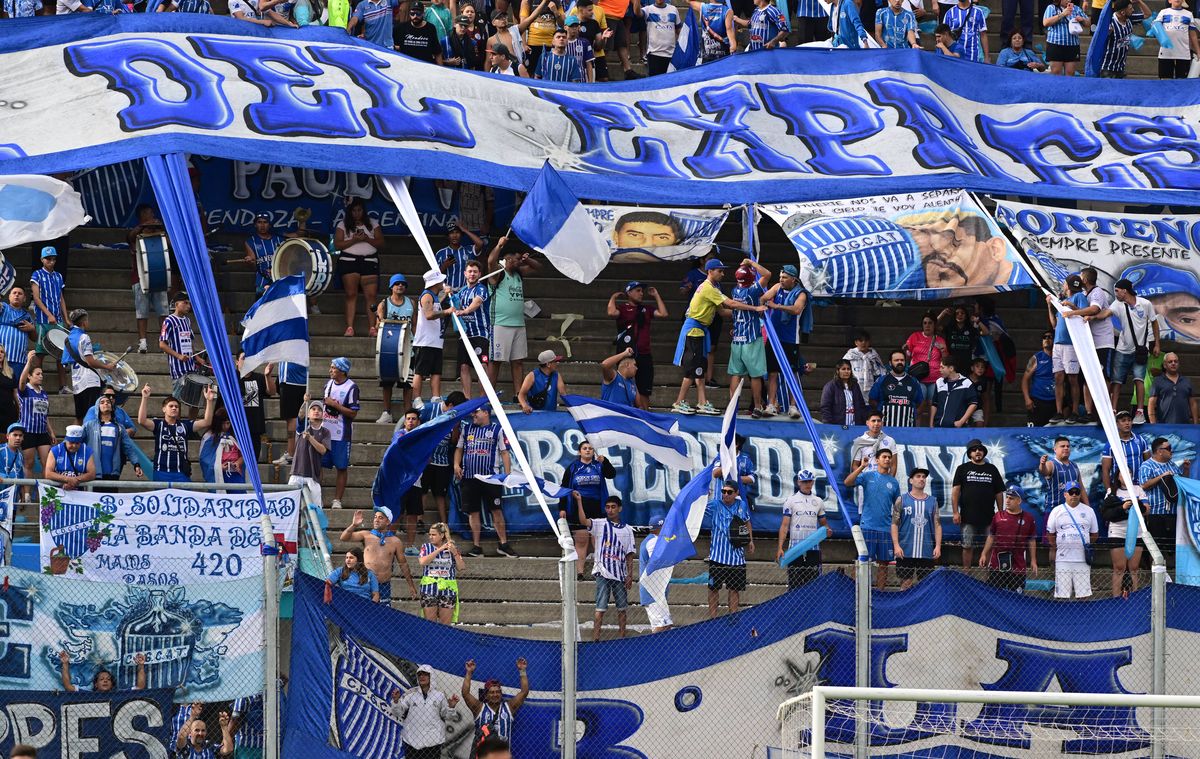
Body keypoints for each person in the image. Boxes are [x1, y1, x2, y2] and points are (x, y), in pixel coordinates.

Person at [673, 259, 767, 416]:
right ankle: (679, 401)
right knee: (691, 369)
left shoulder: (713, 288)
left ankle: (702, 402)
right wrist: (755, 308)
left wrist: (747, 313)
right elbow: (731, 304)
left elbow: (723, 312)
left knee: (700, 368)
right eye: (719, 271)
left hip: (701, 330)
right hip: (694, 330)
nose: (723, 274)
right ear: (710, 271)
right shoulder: (708, 288)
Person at [455, 405, 517, 557]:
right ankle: (476, 547)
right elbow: (459, 449)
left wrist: (506, 475)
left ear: (486, 413)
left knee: (496, 510)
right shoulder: (467, 429)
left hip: (491, 478)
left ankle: (503, 544)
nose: (473, 415)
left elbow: (504, 452)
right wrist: (456, 465)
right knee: (473, 511)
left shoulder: (498, 430)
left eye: (476, 412)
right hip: (469, 478)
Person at [1099, 277, 1161, 424]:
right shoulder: (1117, 304)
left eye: (1117, 291)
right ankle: (1113, 411)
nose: (1115, 293)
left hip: (1141, 349)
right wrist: (1090, 316)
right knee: (1117, 381)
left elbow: (1154, 322)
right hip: (1122, 348)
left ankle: (1140, 412)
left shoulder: (1145, 304)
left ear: (1125, 291)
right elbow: (1105, 314)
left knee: (1139, 379)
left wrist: (1157, 344)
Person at [486, 241, 539, 395]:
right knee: (495, 361)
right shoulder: (498, 273)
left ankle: (518, 394)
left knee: (518, 361)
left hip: (518, 324)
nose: (519, 261)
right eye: (516, 259)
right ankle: (490, 395)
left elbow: (538, 267)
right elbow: (490, 262)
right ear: (508, 259)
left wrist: (527, 259)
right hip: (500, 323)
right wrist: (499, 245)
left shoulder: (518, 274)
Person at [136, 382, 216, 483]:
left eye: (176, 407)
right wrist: (144, 398)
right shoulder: (158, 424)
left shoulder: (185, 425)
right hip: (161, 472)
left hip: (181, 473)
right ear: (164, 409)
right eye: (171, 406)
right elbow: (141, 421)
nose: (174, 408)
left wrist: (209, 401)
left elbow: (207, 422)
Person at [579, 495, 635, 640]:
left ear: (620, 508)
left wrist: (630, 574)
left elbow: (630, 555)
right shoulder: (600, 524)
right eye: (608, 507)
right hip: (602, 572)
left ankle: (622, 638)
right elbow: (583, 521)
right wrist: (579, 502)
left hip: (620, 574)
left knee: (622, 609)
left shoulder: (628, 530)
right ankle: (595, 638)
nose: (610, 510)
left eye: (613, 507)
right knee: (600, 608)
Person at [844, 448, 900, 590]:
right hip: (867, 526)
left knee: (884, 564)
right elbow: (847, 482)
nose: (887, 459)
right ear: (877, 459)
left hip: (885, 528)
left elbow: (897, 506)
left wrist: (896, 523)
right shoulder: (868, 476)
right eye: (884, 457)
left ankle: (880, 594)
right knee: (862, 562)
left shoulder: (894, 483)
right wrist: (862, 466)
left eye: (889, 457)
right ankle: (858, 592)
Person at [561, 441, 616, 577]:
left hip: (597, 505)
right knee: (581, 540)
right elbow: (564, 488)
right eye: (585, 448)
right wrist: (562, 508)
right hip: (578, 506)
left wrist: (606, 461)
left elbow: (611, 474)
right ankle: (579, 571)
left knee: (597, 539)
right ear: (579, 452)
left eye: (590, 448)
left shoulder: (598, 465)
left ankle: (599, 569)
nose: (588, 450)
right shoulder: (573, 467)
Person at [763, 264, 811, 419]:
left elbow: (796, 309)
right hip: (773, 337)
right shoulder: (777, 287)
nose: (781, 280)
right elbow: (763, 298)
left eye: (784, 277)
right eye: (780, 277)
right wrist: (763, 298)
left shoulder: (800, 294)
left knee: (792, 373)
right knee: (772, 373)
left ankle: (793, 406)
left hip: (791, 339)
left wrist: (776, 306)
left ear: (793, 279)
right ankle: (771, 404)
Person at [608, 281, 666, 410]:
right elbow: (611, 313)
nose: (641, 293)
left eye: (642, 291)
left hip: (644, 354)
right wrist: (613, 297)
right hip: (627, 354)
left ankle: (645, 415)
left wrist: (656, 295)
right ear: (629, 292)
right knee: (624, 386)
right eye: (638, 290)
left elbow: (663, 314)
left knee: (644, 389)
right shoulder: (623, 308)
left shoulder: (646, 309)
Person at [340, 509, 419, 604]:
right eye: (375, 517)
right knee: (364, 613)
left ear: (388, 522)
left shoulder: (396, 541)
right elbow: (343, 537)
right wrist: (354, 525)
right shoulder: (366, 535)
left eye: (380, 518)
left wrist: (411, 585)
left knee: (383, 616)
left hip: (384, 585)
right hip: (366, 583)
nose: (376, 520)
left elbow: (403, 564)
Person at [335, 198, 384, 338]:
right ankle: (350, 327)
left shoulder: (373, 224)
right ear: (350, 212)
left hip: (369, 261)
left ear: (363, 211)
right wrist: (354, 239)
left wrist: (366, 238)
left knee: (371, 296)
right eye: (354, 210)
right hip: (349, 261)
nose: (357, 213)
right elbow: (337, 244)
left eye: (359, 210)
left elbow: (381, 243)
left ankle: (372, 327)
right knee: (351, 294)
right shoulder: (343, 224)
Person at [389, 664, 460, 759]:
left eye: (425, 674)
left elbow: (447, 716)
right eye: (420, 674)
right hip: (412, 742)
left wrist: (451, 707)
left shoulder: (440, 696)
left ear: (431, 676)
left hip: (433, 744)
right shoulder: (411, 694)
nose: (422, 676)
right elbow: (398, 713)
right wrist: (396, 701)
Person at [705, 482, 753, 617]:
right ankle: (713, 619)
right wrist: (703, 497)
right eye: (724, 491)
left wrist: (751, 540)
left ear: (736, 493)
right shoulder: (715, 505)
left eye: (729, 492)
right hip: (717, 556)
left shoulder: (742, 505)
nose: (726, 494)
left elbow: (747, 521)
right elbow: (698, 510)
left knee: (734, 589)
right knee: (713, 588)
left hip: (736, 557)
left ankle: (733, 618)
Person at [1046, 275, 1089, 425]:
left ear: (1069, 286)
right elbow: (1054, 325)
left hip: (1071, 343)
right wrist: (1050, 307)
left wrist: (1072, 307)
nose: (1063, 285)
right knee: (1058, 377)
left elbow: (1085, 313)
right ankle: (1058, 411)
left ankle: (1075, 411)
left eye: (1065, 283)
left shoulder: (1078, 296)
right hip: (1058, 343)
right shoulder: (1062, 301)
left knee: (1072, 378)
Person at [979, 485, 1038, 592]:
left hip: (1018, 565)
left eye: (1011, 498)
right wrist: (984, 553)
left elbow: (1031, 540)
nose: (1007, 500)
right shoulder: (998, 516)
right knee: (995, 594)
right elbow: (991, 536)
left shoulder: (1028, 518)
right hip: (997, 563)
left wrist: (1033, 560)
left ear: (1019, 501)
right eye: (1007, 497)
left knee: (1016, 596)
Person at [1046, 481, 1098, 600]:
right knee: (1062, 595)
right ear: (1065, 494)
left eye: (1077, 492)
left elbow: (1095, 534)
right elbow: (1050, 534)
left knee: (1083, 595)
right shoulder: (1056, 511)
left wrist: (1084, 546)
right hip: (1063, 559)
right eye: (1071, 492)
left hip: (1082, 560)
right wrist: (1058, 547)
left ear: (1080, 494)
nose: (1074, 495)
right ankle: (1063, 617)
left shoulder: (1089, 511)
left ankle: (1082, 618)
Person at [412, 269, 456, 410]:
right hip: (425, 341)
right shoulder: (426, 296)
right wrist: (447, 311)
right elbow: (429, 314)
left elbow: (442, 297)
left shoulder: (435, 296)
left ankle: (435, 396)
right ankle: (416, 398)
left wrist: (447, 291)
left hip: (436, 341)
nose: (442, 282)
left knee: (436, 371)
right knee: (420, 371)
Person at [892, 467, 941, 590]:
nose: (922, 479)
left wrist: (938, 546)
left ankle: (924, 609)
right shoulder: (902, 500)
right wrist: (896, 545)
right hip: (905, 550)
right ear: (911, 481)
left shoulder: (933, 501)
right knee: (905, 584)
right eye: (918, 476)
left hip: (926, 550)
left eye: (924, 477)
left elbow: (937, 525)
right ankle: (904, 608)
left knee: (925, 586)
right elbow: (894, 524)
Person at [777, 470, 827, 590]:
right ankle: (794, 609)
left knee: (814, 586)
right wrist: (780, 547)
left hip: (813, 549)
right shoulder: (791, 500)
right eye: (804, 481)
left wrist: (828, 530)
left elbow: (824, 524)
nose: (807, 484)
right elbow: (784, 526)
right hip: (795, 548)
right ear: (798, 482)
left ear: (813, 482)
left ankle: (813, 609)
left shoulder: (819, 501)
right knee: (795, 585)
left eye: (809, 481)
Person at [461, 659, 530, 745]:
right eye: (492, 692)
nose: (495, 695)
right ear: (486, 695)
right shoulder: (479, 708)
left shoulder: (509, 708)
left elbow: (524, 692)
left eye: (498, 692)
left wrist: (522, 670)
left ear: (501, 694)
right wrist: (469, 672)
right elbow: (465, 694)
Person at [30, 247, 70, 393]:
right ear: (42, 259)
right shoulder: (37, 275)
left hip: (57, 320)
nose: (51, 262)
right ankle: (37, 384)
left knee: (61, 353)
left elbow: (61, 298)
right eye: (48, 259)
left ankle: (63, 386)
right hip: (42, 320)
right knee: (40, 353)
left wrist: (66, 317)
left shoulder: (58, 276)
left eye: (53, 259)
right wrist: (48, 314)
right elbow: (36, 297)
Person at [322, 357, 360, 510]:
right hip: (325, 432)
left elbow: (353, 413)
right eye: (330, 367)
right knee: (318, 464)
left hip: (341, 433)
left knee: (341, 466)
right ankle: (317, 495)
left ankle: (337, 499)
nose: (330, 370)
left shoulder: (351, 388)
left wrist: (335, 406)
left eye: (333, 368)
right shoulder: (328, 384)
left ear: (342, 370)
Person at [1138, 437, 1191, 544]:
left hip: (1173, 512)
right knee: (1159, 545)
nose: (1171, 450)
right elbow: (1144, 485)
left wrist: (1186, 469)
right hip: (1156, 513)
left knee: (1174, 546)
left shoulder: (1171, 464)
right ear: (1160, 451)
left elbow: (1181, 483)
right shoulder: (1147, 465)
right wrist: (1161, 476)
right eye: (1168, 448)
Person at [452, 260, 492, 399]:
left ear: (479, 274)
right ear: (465, 273)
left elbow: (477, 302)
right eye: (470, 271)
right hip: (464, 334)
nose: (472, 274)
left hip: (480, 333)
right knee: (463, 366)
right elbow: (452, 301)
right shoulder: (462, 292)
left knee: (482, 365)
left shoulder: (481, 288)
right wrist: (448, 292)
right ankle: (467, 398)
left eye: (475, 271)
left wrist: (465, 311)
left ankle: (482, 398)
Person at [1104, 475, 1148, 598]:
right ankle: (1116, 598)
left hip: (1136, 531)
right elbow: (1106, 512)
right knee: (1119, 568)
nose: (1126, 476)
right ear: (1118, 477)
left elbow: (1147, 510)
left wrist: (1137, 504)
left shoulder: (1138, 489)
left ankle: (1135, 597)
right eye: (1123, 473)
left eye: (1129, 473)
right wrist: (1122, 507)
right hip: (1117, 531)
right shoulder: (1112, 491)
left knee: (1134, 568)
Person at [83, 393, 143, 482]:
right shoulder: (89, 426)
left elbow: (128, 447)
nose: (106, 403)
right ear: (97, 407)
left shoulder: (119, 427)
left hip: (113, 474)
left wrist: (136, 464)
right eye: (102, 402)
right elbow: (76, 442)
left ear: (112, 407)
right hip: (93, 473)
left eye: (108, 402)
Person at [160, 293, 209, 402]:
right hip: (178, 369)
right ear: (177, 304)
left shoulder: (187, 320)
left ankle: (192, 419)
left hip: (191, 367)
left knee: (194, 401)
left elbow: (189, 340)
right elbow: (162, 344)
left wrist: (197, 358)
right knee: (177, 401)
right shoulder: (169, 321)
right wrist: (178, 356)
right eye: (185, 303)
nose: (188, 306)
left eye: (189, 303)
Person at [903, 312, 946, 425]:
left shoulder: (940, 340)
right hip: (918, 379)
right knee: (919, 407)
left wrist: (943, 350)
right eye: (925, 323)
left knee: (934, 407)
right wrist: (907, 351)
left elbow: (946, 360)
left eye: (930, 323)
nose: (927, 325)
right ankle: (916, 431)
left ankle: (933, 429)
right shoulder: (914, 336)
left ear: (935, 325)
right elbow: (907, 357)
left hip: (935, 379)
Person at [419, 522, 466, 623]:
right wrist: (440, 549)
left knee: (445, 625)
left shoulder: (452, 548)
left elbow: (461, 567)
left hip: (448, 589)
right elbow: (423, 562)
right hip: (429, 589)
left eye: (434, 535)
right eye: (429, 534)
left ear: (442, 535)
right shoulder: (426, 547)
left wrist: (454, 553)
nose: (431, 537)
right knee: (430, 624)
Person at [18, 355, 54, 484]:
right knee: (29, 463)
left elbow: (45, 414)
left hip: (42, 432)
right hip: (28, 431)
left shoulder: (43, 392)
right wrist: (28, 362)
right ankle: (27, 494)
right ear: (29, 376)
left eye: (42, 374)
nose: (41, 376)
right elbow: (21, 382)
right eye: (38, 374)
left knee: (47, 463)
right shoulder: (26, 390)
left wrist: (51, 432)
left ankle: (46, 494)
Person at [290, 399, 329, 507]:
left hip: (313, 476)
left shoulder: (326, 432)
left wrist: (310, 438)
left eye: (319, 410)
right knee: (291, 505)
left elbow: (323, 450)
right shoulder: (303, 426)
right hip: (296, 473)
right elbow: (301, 414)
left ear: (323, 414)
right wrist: (305, 402)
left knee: (316, 508)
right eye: (313, 409)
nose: (316, 411)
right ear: (309, 413)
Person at [870, 350, 924, 428]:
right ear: (890, 363)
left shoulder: (913, 381)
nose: (900, 362)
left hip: (908, 428)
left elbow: (920, 402)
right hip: (885, 428)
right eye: (896, 360)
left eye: (902, 360)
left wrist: (912, 416)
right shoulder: (882, 380)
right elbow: (872, 400)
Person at [235, 352, 273, 461]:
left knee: (253, 461)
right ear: (237, 362)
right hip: (236, 428)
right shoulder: (231, 378)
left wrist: (267, 376)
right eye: (243, 359)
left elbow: (271, 391)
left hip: (254, 429)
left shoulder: (259, 378)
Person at [638, 518, 674, 632]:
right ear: (659, 528)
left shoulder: (656, 540)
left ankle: (664, 649)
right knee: (659, 626)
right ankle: (655, 649)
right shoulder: (653, 541)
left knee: (666, 624)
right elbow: (657, 562)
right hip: (651, 590)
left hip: (658, 591)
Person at [1100, 410, 1150, 493]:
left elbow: (1149, 463)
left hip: (1140, 486)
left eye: (1129, 420)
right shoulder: (1111, 444)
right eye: (1123, 420)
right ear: (1116, 424)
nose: (1127, 423)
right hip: (1119, 488)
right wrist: (1109, 492)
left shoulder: (1141, 440)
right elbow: (1105, 470)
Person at [1098, 0, 1150, 78]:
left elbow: (1147, 14)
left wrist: (1139, 1)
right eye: (1130, 8)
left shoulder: (1130, 19)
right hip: (1107, 68)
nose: (1133, 10)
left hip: (1120, 68)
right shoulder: (1109, 23)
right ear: (1123, 12)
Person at [1040, 435, 1089, 516]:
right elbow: (1044, 471)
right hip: (1054, 512)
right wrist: (1042, 464)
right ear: (1055, 449)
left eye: (1068, 446)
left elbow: (1081, 488)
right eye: (1062, 446)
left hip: (1073, 512)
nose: (1066, 448)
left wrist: (1088, 508)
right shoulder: (1051, 464)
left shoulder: (1074, 466)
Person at [272, 358, 308, 467]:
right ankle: (291, 452)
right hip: (287, 379)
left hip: (292, 380)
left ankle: (292, 453)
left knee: (292, 418)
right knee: (290, 418)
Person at [1043, 0, 1090, 76]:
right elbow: (1045, 22)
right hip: (1055, 44)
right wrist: (1062, 14)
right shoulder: (1051, 8)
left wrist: (1082, 19)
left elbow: (1088, 23)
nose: (1068, 0)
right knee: (1056, 72)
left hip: (1072, 45)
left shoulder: (1076, 9)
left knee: (1070, 73)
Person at [60, 650, 146, 692]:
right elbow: (68, 686)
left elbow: (140, 687)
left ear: (112, 684)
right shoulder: (89, 696)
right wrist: (65, 664)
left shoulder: (119, 695)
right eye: (101, 679)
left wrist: (141, 665)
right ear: (96, 684)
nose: (105, 680)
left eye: (108, 679)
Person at [1149, 353, 1197, 425]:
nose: (1173, 363)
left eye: (1175, 361)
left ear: (1178, 364)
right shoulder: (1157, 381)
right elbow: (1151, 404)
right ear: (1165, 365)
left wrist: (1195, 424)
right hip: (1164, 425)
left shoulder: (1186, 381)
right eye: (1170, 362)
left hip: (1185, 426)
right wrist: (1153, 424)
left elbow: (1193, 404)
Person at [1022, 331, 1058, 427]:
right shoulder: (1036, 358)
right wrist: (1027, 399)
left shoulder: (1060, 357)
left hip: (1055, 402)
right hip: (1038, 401)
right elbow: (1025, 380)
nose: (1047, 339)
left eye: (1050, 337)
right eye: (1044, 337)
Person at [243, 213, 284, 296]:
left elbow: (286, 260)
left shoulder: (279, 240)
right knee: (262, 307)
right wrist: (250, 262)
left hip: (279, 278)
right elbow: (253, 266)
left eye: (265, 222)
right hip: (262, 281)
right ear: (255, 225)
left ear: (269, 225)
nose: (262, 225)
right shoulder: (250, 242)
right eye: (259, 222)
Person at [930, 359, 979, 429]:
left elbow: (973, 404)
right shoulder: (939, 382)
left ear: (951, 368)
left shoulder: (966, 382)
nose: (939, 370)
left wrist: (961, 421)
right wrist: (931, 424)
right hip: (939, 427)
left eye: (942, 367)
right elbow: (934, 404)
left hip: (957, 428)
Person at [45, 424, 95, 491]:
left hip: (80, 492)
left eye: (77, 443)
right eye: (71, 442)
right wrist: (67, 479)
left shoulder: (87, 451)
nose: (74, 446)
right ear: (66, 440)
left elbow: (92, 473)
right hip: (58, 491)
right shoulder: (55, 450)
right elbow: (48, 473)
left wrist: (75, 480)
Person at [637, 0, 681, 74]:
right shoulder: (648, 9)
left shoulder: (674, 10)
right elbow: (637, 13)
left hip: (671, 55)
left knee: (670, 82)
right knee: (655, 82)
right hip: (654, 54)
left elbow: (679, 31)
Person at [1158, 0, 1199, 78]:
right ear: (1169, 1)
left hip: (1183, 54)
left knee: (1182, 82)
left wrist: (1198, 51)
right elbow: (1156, 27)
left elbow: (1193, 35)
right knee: (1165, 81)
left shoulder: (1189, 14)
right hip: (1166, 53)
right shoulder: (1163, 12)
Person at [820, 361, 868, 427]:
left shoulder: (855, 385)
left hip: (855, 425)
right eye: (843, 369)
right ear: (838, 371)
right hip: (837, 426)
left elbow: (861, 405)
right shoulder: (831, 386)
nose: (846, 371)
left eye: (848, 369)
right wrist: (829, 425)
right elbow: (825, 407)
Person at [0, 286, 33, 382]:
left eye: (20, 293)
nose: (17, 295)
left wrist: (32, 328)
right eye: (14, 293)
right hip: (2, 357)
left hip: (19, 359)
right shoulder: (3, 307)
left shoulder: (27, 315)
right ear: (9, 296)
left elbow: (34, 338)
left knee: (16, 390)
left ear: (24, 299)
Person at [843, 330, 886, 398]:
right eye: (860, 340)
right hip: (854, 388)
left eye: (866, 340)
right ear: (856, 342)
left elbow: (881, 372)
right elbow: (843, 371)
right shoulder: (850, 356)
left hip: (871, 389)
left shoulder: (874, 356)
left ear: (869, 342)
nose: (863, 343)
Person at [230, 694, 265, 759]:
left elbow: (235, 717)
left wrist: (225, 740)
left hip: (245, 745)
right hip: (264, 743)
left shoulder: (244, 694)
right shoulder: (270, 694)